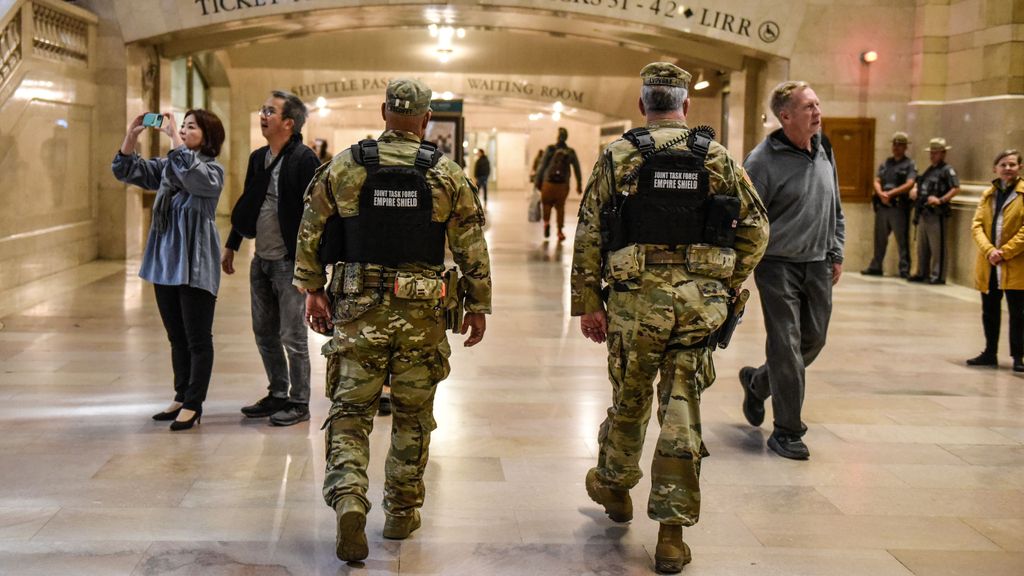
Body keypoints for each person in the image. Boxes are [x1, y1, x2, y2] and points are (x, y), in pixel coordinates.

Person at [571, 62, 769, 574]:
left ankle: (615, 490)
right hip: (698, 305)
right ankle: (671, 537)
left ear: (642, 106)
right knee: (681, 408)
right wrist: (725, 281)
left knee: (629, 398)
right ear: (686, 105)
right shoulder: (716, 156)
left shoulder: (619, 156)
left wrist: (589, 303)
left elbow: (591, 231)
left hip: (636, 303)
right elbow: (756, 229)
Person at [292, 78, 492, 563]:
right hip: (422, 312)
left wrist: (313, 290)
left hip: (358, 311)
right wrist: (479, 305)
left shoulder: (344, 166)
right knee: (412, 415)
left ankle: (349, 500)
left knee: (351, 412)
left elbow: (311, 231)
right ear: (426, 119)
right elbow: (471, 247)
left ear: (384, 112)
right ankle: (401, 511)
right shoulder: (446, 174)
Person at [738, 80, 845, 461]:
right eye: (808, 107)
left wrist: (836, 249)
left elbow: (834, 203)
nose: (817, 113)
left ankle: (757, 382)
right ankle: (787, 431)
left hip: (817, 262)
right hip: (777, 264)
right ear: (785, 116)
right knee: (786, 343)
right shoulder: (761, 160)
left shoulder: (823, 147)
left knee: (812, 341)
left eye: (817, 104)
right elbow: (746, 217)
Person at [112, 109, 226, 432]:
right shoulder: (167, 168)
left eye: (192, 127)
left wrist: (174, 134)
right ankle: (181, 395)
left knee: (197, 337)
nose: (185, 130)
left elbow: (189, 170)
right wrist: (132, 135)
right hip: (165, 264)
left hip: (195, 264)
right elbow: (127, 169)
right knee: (176, 335)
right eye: (183, 125)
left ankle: (194, 403)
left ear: (208, 136)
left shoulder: (212, 171)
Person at [222, 91, 321, 426]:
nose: (263, 115)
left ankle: (299, 401)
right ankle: (278, 392)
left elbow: (317, 214)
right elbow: (249, 203)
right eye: (262, 109)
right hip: (261, 259)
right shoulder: (257, 158)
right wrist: (233, 242)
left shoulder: (304, 159)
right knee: (263, 332)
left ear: (288, 123)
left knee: (292, 335)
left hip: (289, 262)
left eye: (270, 111)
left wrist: (312, 265)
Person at [967, 149, 1024, 370]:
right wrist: (989, 250)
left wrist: (1005, 252)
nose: (1007, 168)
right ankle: (990, 352)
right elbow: (977, 225)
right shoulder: (988, 194)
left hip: (1015, 263)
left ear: (1019, 167)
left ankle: (1018, 356)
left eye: (1012, 164)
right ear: (995, 168)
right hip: (990, 263)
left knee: (1018, 312)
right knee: (989, 309)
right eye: (1003, 164)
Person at [862, 132, 916, 278]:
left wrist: (891, 193)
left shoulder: (909, 164)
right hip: (883, 205)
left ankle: (904, 269)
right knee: (879, 239)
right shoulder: (887, 163)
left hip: (898, 206)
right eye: (894, 144)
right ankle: (876, 266)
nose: (896, 147)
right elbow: (877, 180)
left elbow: (910, 183)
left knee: (902, 240)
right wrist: (881, 194)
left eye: (899, 145)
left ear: (905, 147)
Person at [908, 137, 960, 284]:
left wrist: (941, 200)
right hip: (924, 211)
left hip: (937, 212)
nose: (932, 156)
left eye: (936, 153)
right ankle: (921, 272)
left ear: (943, 153)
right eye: (931, 153)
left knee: (937, 247)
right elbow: (921, 184)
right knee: (922, 246)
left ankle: (938, 275)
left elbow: (956, 188)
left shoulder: (947, 170)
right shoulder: (930, 170)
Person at [534, 127, 582, 241]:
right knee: (560, 207)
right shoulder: (570, 152)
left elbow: (541, 166)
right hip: (563, 185)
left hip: (548, 184)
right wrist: (579, 184)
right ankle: (560, 231)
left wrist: (537, 182)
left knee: (546, 205)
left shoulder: (550, 149)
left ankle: (546, 223)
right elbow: (577, 169)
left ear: (557, 136)